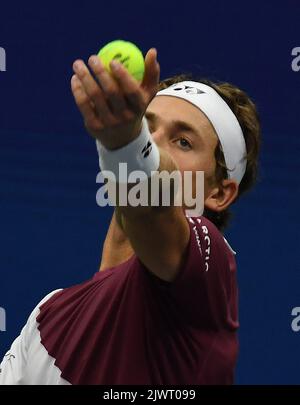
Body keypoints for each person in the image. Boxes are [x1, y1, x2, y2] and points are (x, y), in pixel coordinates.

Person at [0, 48, 260, 385]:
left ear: (219, 193)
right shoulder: (48, 313)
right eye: (146, 127)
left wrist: (127, 143)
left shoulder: (209, 271)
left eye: (182, 141)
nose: (155, 144)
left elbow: (154, 202)